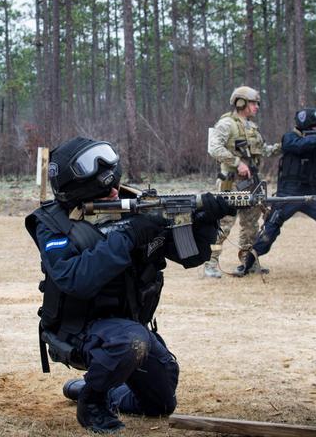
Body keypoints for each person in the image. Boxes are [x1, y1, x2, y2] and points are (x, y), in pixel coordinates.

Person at [25, 137, 235, 433]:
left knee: (161, 404)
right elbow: (75, 279)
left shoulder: (137, 207)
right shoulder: (53, 224)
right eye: (105, 191)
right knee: (130, 340)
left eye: (115, 187)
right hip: (78, 331)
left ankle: (100, 388)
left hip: (128, 329)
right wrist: (128, 237)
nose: (115, 193)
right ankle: (92, 402)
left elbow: (189, 256)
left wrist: (203, 222)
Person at [233, 107, 316, 277]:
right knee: (270, 229)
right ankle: (247, 265)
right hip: (289, 194)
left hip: (312, 195)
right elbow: (295, 146)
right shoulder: (291, 138)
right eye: (314, 127)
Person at [204, 86, 279, 278]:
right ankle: (210, 263)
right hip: (232, 183)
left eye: (257, 104)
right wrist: (237, 163)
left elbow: (263, 150)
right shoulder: (227, 124)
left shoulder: (252, 127)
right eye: (253, 103)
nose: (256, 107)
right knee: (224, 224)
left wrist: (282, 147)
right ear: (241, 103)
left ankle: (248, 262)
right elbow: (214, 148)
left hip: (252, 184)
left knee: (251, 225)